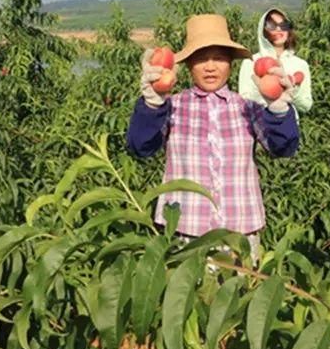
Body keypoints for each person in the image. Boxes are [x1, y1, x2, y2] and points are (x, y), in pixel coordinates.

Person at [126, 14, 300, 263]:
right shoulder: (173, 107)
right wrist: (152, 104)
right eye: (201, 59)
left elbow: (283, 147)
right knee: (188, 300)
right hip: (186, 233)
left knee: (240, 299)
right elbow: (140, 146)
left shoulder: (247, 109)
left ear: (230, 63)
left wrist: (279, 109)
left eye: (218, 58)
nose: (210, 67)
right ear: (188, 66)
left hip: (240, 234)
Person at [238, 8, 313, 115]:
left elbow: (306, 106)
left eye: (284, 25)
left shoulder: (300, 64)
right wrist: (266, 90)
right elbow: (243, 102)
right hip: (259, 126)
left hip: (288, 126)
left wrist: (291, 90)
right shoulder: (251, 62)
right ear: (263, 30)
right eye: (271, 25)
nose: (278, 29)